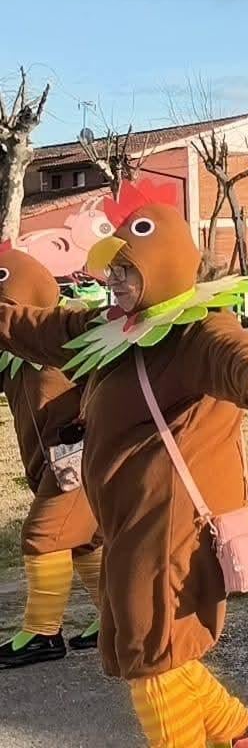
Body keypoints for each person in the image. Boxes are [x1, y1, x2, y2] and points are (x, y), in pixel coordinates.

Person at [0, 179, 248, 748]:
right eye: (111, 271)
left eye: (125, 270)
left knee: (150, 653)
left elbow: (236, 351)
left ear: (163, 262)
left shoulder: (197, 328)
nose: (113, 282)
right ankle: (245, 730)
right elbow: (36, 328)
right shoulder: (110, 330)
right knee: (147, 643)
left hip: (174, 526)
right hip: (129, 518)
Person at [0, 243, 103, 669]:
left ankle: (43, 633)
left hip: (78, 458)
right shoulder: (12, 354)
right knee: (84, 542)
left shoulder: (66, 336)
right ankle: (113, 618)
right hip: (48, 461)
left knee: (44, 535)